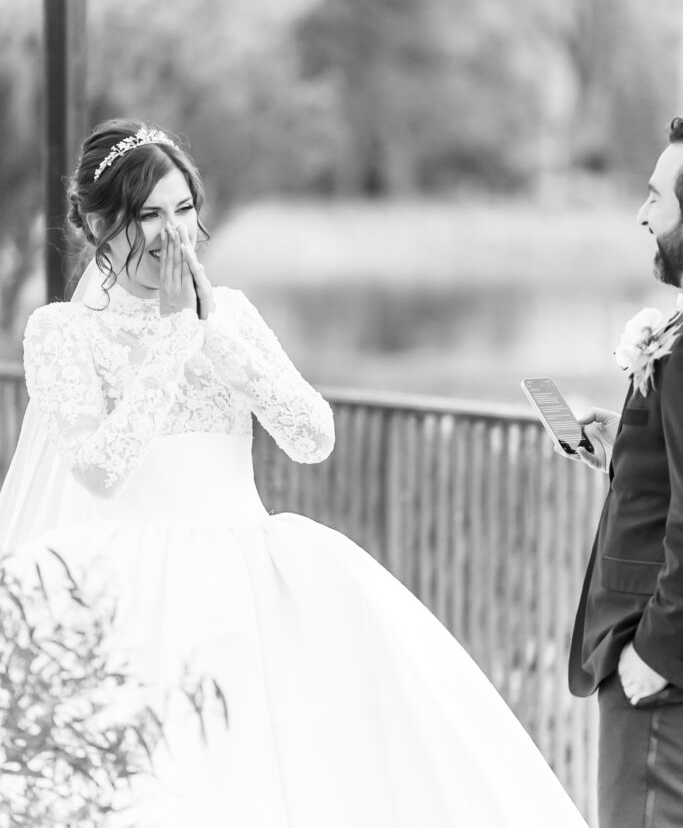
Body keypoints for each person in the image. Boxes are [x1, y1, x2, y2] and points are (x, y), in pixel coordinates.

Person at [0, 118, 587, 827]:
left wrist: (211, 332)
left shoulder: (232, 315)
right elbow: (99, 471)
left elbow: (312, 436)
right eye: (146, 215)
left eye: (183, 210)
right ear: (98, 226)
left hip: (251, 574)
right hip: (127, 587)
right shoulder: (61, 333)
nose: (170, 234)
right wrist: (170, 339)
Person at [564, 117, 683, 828]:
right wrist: (619, 448)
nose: (641, 213)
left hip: (658, 674)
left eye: (656, 197)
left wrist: (654, 653)